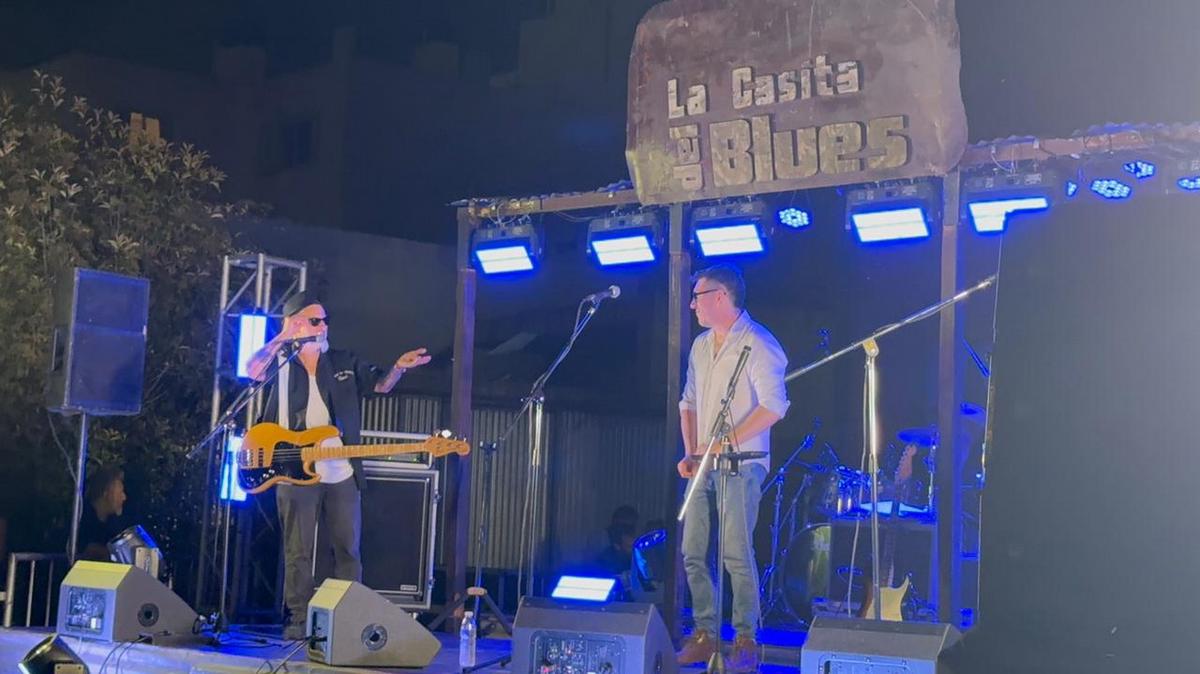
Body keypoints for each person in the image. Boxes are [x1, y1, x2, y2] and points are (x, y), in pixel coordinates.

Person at [246, 291, 431, 639]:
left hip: (338, 466)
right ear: (296, 322)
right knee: (297, 549)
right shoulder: (282, 361)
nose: (323, 326)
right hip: (292, 466)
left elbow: (380, 384)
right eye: (315, 320)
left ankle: (346, 618)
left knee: (347, 545)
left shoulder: (343, 360)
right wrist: (283, 336)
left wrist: (398, 369)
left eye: (325, 320)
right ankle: (299, 618)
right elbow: (252, 371)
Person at [675, 264, 789, 672]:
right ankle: (704, 632)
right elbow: (687, 402)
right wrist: (691, 452)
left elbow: (774, 406)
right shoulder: (702, 346)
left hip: (743, 463)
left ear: (721, 297)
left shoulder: (758, 342)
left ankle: (745, 637)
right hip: (703, 461)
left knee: (735, 552)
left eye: (698, 297)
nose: (692, 305)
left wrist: (726, 441)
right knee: (692, 549)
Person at [77, 466, 127, 561]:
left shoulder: (114, 523)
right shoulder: (80, 518)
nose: (124, 497)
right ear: (106, 493)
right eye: (120, 492)